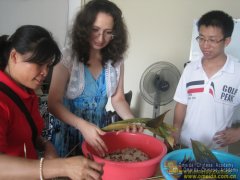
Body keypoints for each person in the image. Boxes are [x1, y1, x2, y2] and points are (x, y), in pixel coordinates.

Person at [0, 25, 103, 180]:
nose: (45, 72)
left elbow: (28, 135)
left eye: (48, 66)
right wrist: (61, 167)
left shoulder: (27, 93)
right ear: (14, 56)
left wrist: (46, 145)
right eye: (39, 64)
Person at [48, 0, 142, 157]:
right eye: (95, 30)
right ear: (84, 28)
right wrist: (82, 125)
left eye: (108, 32)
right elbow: (53, 103)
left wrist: (130, 119)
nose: (100, 38)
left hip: (98, 133)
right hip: (67, 133)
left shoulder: (116, 61)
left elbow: (118, 99)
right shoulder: (68, 58)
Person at [173, 10, 240, 151]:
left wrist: (238, 132)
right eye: (201, 38)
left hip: (217, 151)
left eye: (212, 40)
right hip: (185, 145)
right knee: (180, 173)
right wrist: (175, 131)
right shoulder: (190, 68)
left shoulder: (237, 72)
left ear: (227, 41)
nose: (205, 45)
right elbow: (181, 104)